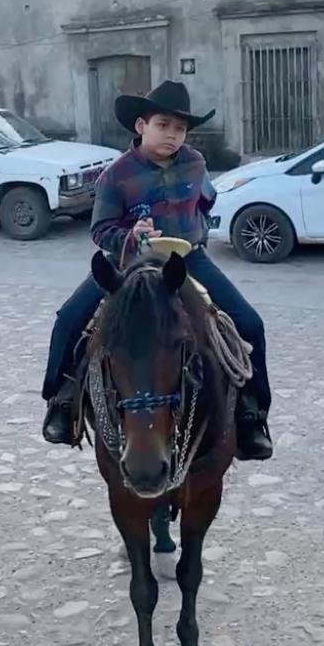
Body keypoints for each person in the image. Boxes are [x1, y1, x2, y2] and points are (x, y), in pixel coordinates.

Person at [42, 79, 273, 461]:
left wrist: (193, 233)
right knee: (69, 318)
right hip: (130, 263)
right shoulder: (114, 175)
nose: (172, 135)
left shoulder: (196, 164)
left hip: (188, 260)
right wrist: (130, 236)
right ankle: (61, 402)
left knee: (250, 323)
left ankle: (251, 415)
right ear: (141, 126)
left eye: (180, 129)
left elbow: (206, 204)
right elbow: (100, 231)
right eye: (163, 125)